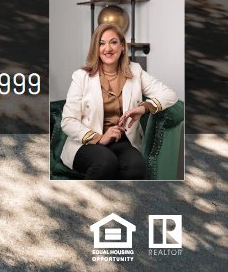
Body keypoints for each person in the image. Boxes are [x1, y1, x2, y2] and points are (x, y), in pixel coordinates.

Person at [60, 22, 177, 179]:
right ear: (96, 48)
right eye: (102, 43)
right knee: (105, 162)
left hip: (122, 140)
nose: (107, 48)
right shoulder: (81, 76)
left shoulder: (135, 71)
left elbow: (169, 94)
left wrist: (143, 108)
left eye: (113, 42)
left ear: (122, 46)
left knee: (136, 166)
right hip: (87, 143)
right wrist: (99, 138)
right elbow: (68, 121)